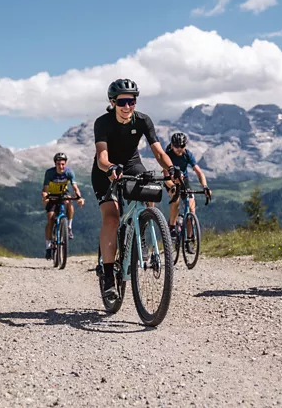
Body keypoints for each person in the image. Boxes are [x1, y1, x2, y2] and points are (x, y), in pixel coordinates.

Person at [92, 78, 180, 301]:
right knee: (112, 217)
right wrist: (110, 167)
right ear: (113, 102)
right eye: (122, 102)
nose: (127, 107)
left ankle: (142, 229)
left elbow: (159, 152)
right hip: (106, 169)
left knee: (150, 192)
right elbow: (102, 157)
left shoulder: (142, 120)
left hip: (132, 163)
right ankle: (110, 275)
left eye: (132, 101)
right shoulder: (102, 122)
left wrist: (171, 168)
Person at [164, 132, 211, 251]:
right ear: (172, 145)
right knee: (176, 198)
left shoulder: (187, 154)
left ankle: (189, 240)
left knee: (191, 209)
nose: (179, 149)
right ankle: (172, 228)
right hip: (171, 179)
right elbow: (165, 175)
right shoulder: (168, 154)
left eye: (182, 146)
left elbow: (199, 172)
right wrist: (173, 187)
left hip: (184, 179)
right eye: (176, 146)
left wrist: (205, 186)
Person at [41, 152, 84, 259]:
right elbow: (45, 190)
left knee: (69, 202)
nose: (61, 166)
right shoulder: (50, 173)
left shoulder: (69, 173)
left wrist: (79, 197)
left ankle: (68, 227)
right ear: (55, 164)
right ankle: (48, 247)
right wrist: (45, 197)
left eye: (63, 164)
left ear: (65, 164)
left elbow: (75, 187)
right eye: (59, 164)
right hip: (52, 195)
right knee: (50, 219)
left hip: (63, 193)